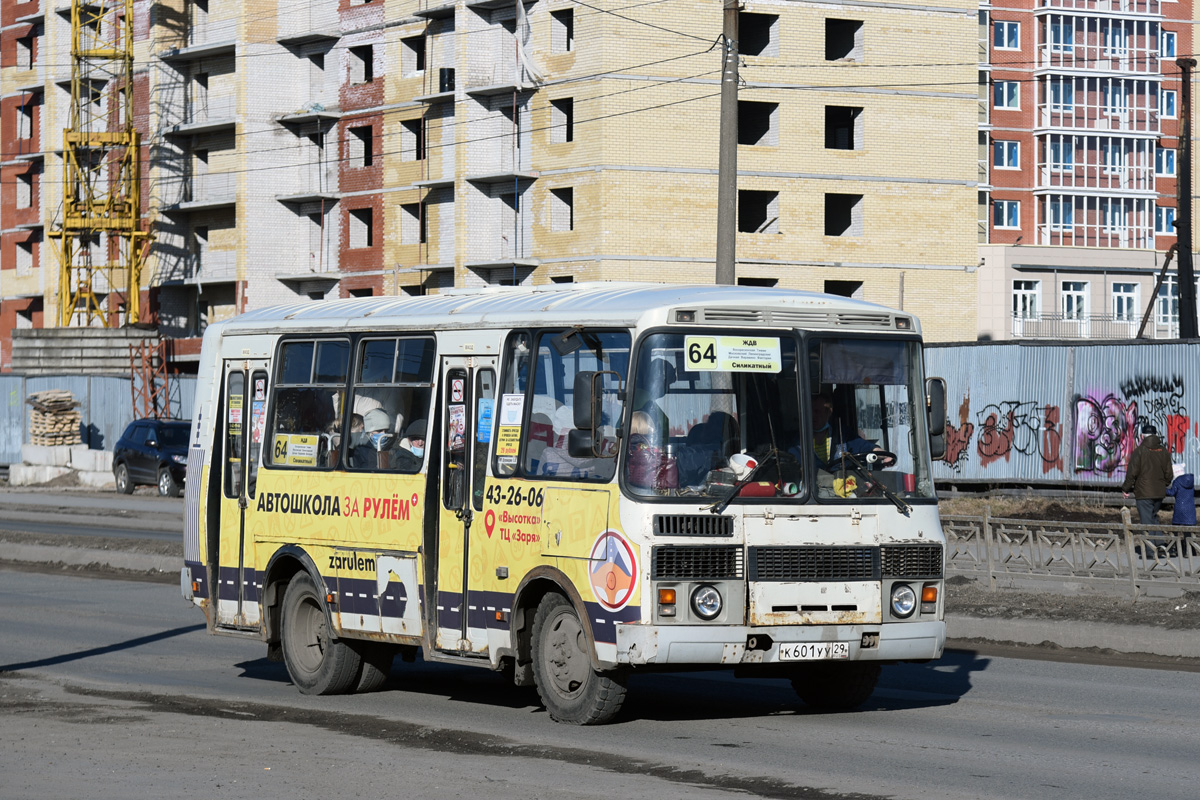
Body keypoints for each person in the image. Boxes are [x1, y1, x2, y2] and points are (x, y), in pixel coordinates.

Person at [792, 390, 881, 471]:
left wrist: (883, 454)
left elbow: (865, 447)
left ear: (829, 412)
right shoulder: (795, 442)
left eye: (817, 411)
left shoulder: (843, 435)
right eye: (809, 412)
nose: (812, 416)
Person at [1122, 424, 1173, 536]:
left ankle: (1150, 551)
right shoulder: (1163, 451)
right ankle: (1160, 545)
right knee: (1153, 518)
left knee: (1146, 522)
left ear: (1142, 436)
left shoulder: (1139, 451)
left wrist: (1126, 488)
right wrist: (1162, 484)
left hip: (1144, 492)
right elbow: (1169, 474)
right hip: (1159, 492)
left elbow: (1132, 472)